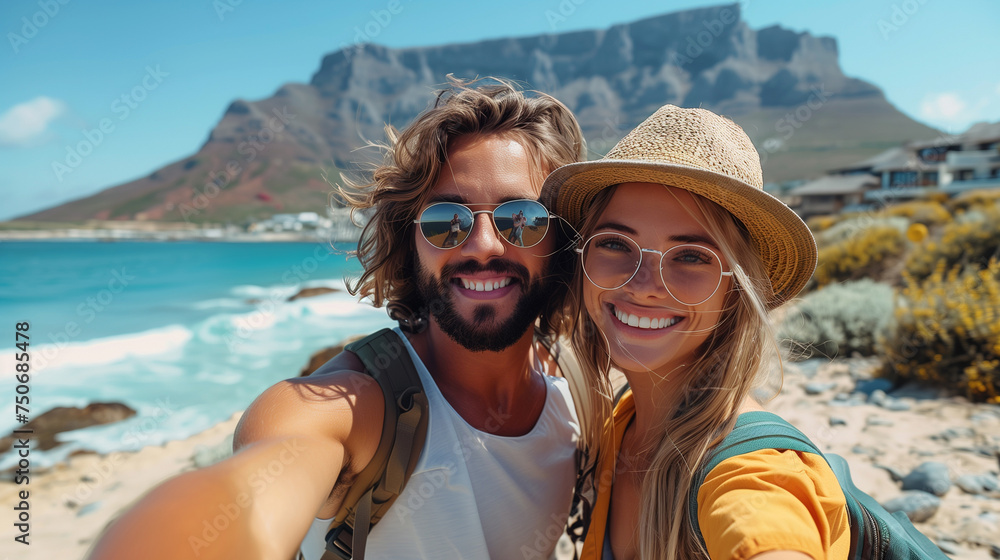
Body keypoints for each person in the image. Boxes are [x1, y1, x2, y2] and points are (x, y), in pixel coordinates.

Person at [87, 79, 586, 560]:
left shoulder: (579, 392)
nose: (481, 245)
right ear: (409, 244)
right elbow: (257, 486)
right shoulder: (362, 407)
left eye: (523, 218)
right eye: (444, 222)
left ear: (562, 241)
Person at [541, 104, 848, 560]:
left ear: (737, 289)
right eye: (614, 244)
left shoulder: (753, 471)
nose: (643, 286)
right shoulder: (621, 422)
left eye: (690, 256)